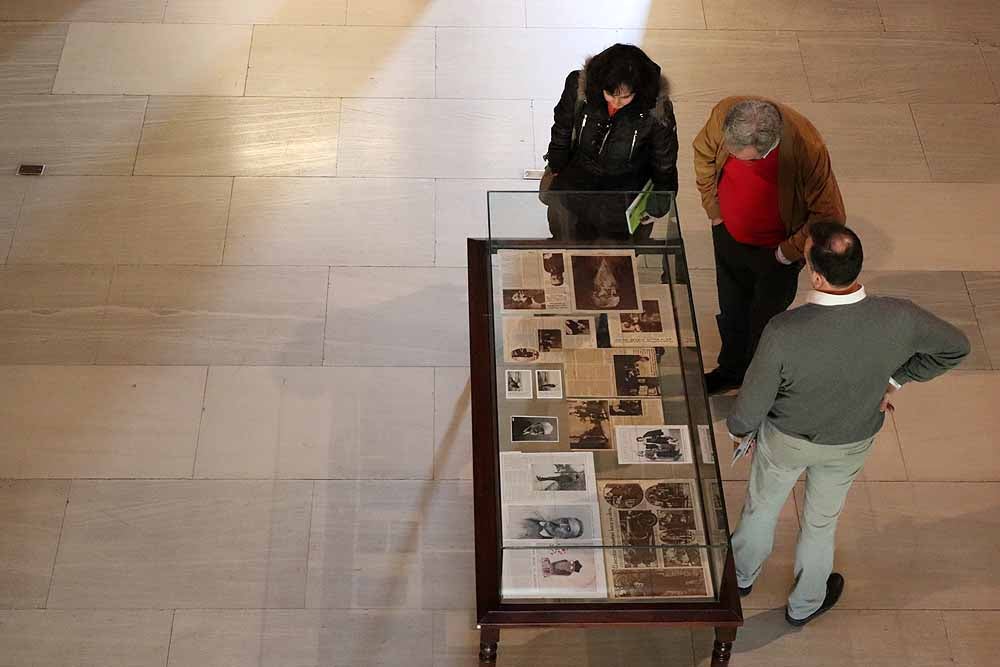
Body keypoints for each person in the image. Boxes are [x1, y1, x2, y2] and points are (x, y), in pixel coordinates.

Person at [725, 221, 969, 627]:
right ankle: (804, 604)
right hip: (852, 439)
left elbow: (749, 409)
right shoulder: (901, 316)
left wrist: (740, 430)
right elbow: (955, 347)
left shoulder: (784, 330)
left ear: (817, 276)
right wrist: (894, 380)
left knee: (761, 509)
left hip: (786, 440)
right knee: (822, 522)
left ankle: (741, 579)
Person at [693, 97, 845, 394]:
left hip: (777, 253)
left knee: (765, 322)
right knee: (732, 309)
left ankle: (756, 384)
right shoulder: (725, 113)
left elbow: (830, 215)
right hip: (728, 235)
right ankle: (732, 371)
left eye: (747, 159)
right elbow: (703, 153)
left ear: (770, 146)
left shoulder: (807, 147)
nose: (735, 161)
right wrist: (714, 210)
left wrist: (787, 252)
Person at [543, 43, 679, 241]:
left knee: (615, 255)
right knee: (567, 240)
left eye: (625, 97)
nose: (615, 103)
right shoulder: (578, 87)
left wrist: (659, 203)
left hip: (624, 193)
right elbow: (562, 126)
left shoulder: (656, 110)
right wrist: (556, 161)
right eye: (610, 94)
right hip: (576, 181)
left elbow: (664, 158)